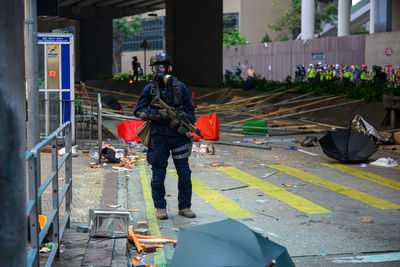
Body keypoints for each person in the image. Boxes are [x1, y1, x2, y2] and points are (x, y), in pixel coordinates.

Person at [134, 52, 196, 220]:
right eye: (157, 67)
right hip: (158, 136)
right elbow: (138, 110)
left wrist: (186, 120)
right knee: (158, 175)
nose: (160, 70)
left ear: (170, 67)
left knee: (184, 173)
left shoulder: (180, 87)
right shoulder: (150, 89)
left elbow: (191, 111)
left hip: (178, 136)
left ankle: (184, 207)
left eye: (163, 66)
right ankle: (160, 207)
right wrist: (157, 115)